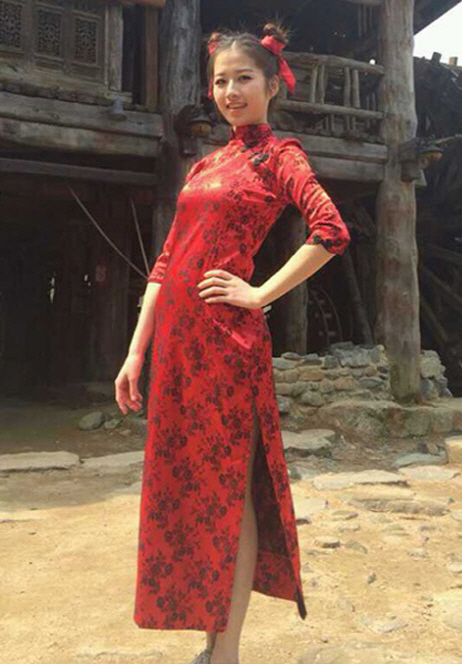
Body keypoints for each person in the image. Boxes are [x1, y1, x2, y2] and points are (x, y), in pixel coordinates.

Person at [114, 20, 351, 664]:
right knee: (191, 488)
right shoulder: (206, 163)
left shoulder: (279, 156)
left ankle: (227, 653)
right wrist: (137, 350)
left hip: (225, 345)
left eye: (244, 78)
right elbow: (167, 262)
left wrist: (259, 292)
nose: (230, 92)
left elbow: (331, 230)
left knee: (232, 492)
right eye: (220, 81)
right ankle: (210, 642)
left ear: (272, 85)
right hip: (177, 346)